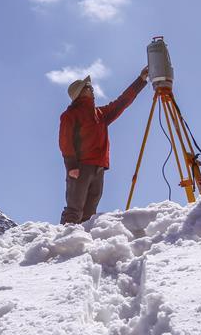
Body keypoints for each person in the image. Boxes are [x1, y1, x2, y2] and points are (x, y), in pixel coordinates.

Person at [58, 68, 149, 224]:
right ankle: (63, 244)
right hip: (80, 168)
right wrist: (71, 166)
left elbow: (122, 102)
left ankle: (82, 245)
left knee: (89, 214)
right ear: (80, 93)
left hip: (99, 168)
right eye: (89, 88)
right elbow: (65, 141)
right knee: (74, 210)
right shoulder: (70, 115)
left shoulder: (101, 114)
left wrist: (141, 80)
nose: (92, 90)